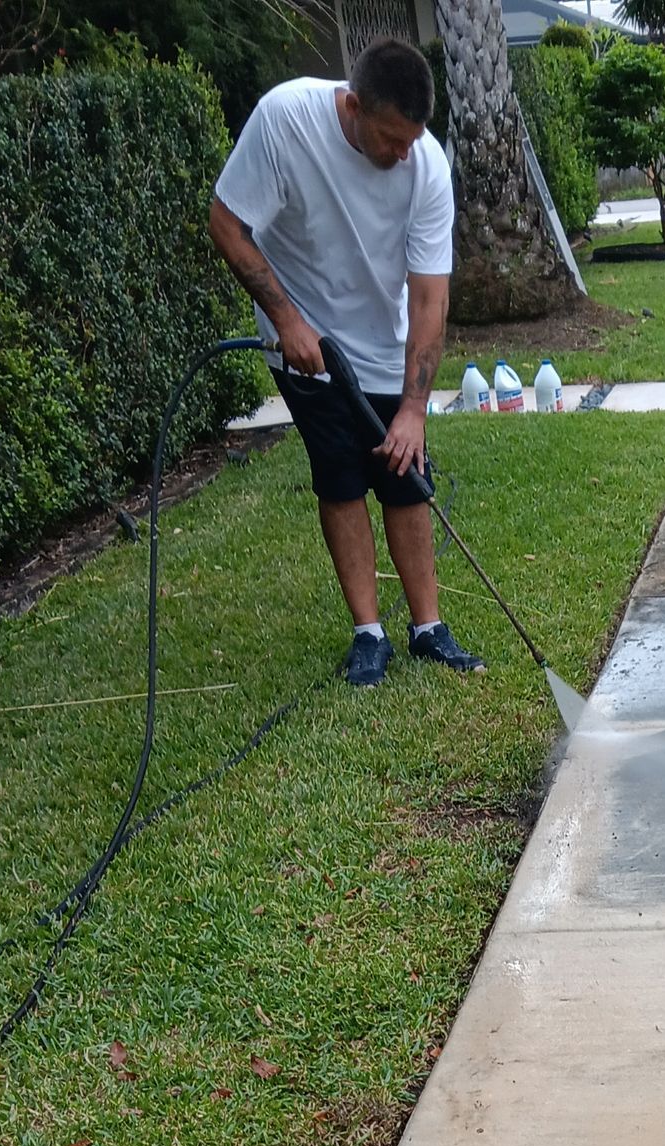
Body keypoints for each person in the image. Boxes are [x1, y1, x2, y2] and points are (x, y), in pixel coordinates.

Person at [210, 39, 485, 689]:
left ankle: (429, 628)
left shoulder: (427, 167)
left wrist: (414, 408)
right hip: (306, 343)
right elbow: (226, 222)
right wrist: (286, 321)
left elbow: (429, 295)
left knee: (405, 474)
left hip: (388, 341)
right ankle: (369, 634)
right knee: (340, 479)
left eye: (412, 140)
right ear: (354, 106)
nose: (402, 154)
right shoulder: (285, 121)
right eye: (390, 139)